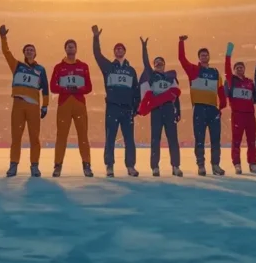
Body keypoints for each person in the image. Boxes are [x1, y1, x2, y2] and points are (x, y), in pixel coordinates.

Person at [92, 26, 141, 177]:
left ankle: (130, 166)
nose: (119, 50)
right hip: (112, 107)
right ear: (114, 52)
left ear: (124, 52)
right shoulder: (108, 66)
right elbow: (97, 54)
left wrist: (135, 108)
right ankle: (109, 166)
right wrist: (96, 38)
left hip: (127, 109)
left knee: (129, 139)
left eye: (121, 48)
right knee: (110, 137)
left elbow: (136, 91)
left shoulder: (131, 70)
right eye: (117, 49)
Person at [0, 25, 49, 177]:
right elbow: (6, 53)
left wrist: (45, 106)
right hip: (18, 105)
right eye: (27, 49)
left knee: (35, 138)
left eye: (31, 49)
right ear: (24, 53)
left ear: (35, 53)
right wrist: (3, 38)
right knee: (16, 137)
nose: (29, 51)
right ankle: (13, 165)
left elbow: (45, 89)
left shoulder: (41, 69)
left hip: (34, 106)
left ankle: (34, 166)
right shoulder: (17, 66)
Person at [178, 36, 227, 176]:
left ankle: (216, 165)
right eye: (202, 55)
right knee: (199, 138)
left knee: (215, 138)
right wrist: (181, 43)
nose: (204, 57)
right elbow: (182, 59)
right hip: (199, 108)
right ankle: (201, 165)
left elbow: (221, 90)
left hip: (213, 109)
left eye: (206, 55)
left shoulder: (215, 73)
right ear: (199, 58)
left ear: (209, 57)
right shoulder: (193, 70)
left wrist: (222, 106)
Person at [138, 37, 182, 177]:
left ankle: (175, 166)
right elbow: (145, 63)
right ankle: (155, 167)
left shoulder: (170, 77)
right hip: (157, 110)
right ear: (154, 65)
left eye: (160, 63)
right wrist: (144, 48)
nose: (158, 65)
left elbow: (176, 95)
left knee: (172, 138)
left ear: (164, 65)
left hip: (169, 109)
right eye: (156, 63)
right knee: (155, 138)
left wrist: (178, 110)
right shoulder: (151, 76)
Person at [50, 39, 94, 177]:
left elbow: (89, 87)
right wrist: (65, 89)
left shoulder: (84, 66)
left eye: (73, 46)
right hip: (64, 104)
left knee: (83, 136)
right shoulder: (58, 67)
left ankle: (87, 166)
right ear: (65, 49)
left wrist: (78, 89)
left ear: (76, 49)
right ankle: (57, 166)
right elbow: (52, 87)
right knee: (61, 136)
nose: (70, 48)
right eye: (68, 47)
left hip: (79, 103)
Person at [224, 42, 256, 174]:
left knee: (252, 140)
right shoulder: (232, 80)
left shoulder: (250, 82)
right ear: (235, 70)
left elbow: (255, 98)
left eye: (241, 67)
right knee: (237, 141)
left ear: (244, 69)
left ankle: (252, 163)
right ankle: (237, 164)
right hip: (237, 115)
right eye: (237, 67)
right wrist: (228, 55)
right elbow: (227, 69)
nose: (240, 69)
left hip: (250, 115)